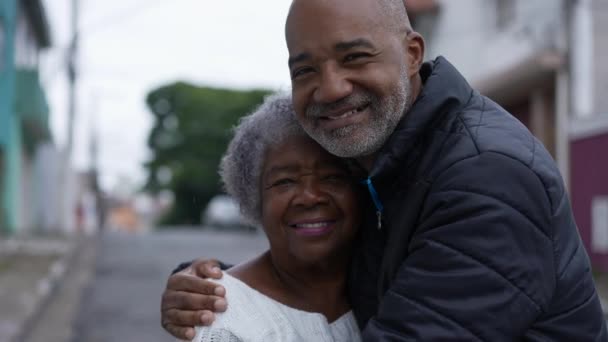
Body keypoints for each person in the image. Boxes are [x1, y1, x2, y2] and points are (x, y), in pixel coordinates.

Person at [162, 0, 608, 340]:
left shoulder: (484, 177)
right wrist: (217, 287)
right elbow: (339, 267)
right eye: (306, 70)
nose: (331, 87)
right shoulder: (386, 155)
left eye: (354, 57)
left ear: (412, 53)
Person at [187, 94, 362, 341]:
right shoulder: (223, 320)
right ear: (254, 198)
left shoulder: (389, 293)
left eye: (332, 177)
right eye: (285, 181)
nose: (310, 197)